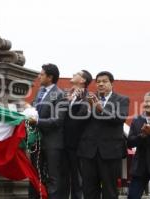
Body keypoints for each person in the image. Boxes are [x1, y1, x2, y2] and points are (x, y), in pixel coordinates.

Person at [77, 71, 130, 199]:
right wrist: (88, 108)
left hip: (111, 152)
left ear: (112, 83)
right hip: (89, 152)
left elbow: (120, 118)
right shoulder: (88, 99)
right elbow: (78, 120)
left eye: (104, 81)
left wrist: (101, 109)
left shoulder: (122, 99)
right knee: (89, 189)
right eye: (98, 82)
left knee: (110, 190)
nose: (101, 84)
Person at [28, 63, 66, 199]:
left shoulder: (60, 95)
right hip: (37, 142)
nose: (39, 76)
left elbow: (57, 120)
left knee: (53, 178)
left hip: (52, 144)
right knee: (35, 175)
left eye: (42, 74)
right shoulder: (40, 92)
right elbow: (34, 111)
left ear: (50, 77)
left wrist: (37, 122)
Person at [62, 70, 93, 199]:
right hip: (64, 143)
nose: (73, 74)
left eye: (77, 73)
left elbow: (81, 118)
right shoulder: (68, 95)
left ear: (83, 80)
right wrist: (67, 102)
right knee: (64, 178)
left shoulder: (88, 97)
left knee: (77, 180)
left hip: (78, 145)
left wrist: (72, 102)